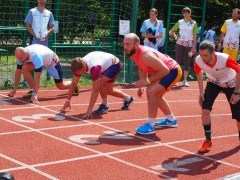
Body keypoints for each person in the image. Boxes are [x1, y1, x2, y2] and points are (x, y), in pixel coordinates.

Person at [123, 33, 182, 135]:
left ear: (136, 45)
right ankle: (171, 120)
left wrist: (148, 81)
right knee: (156, 95)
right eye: (124, 44)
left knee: (151, 91)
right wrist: (142, 85)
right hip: (163, 72)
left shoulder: (146, 55)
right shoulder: (133, 53)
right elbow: (142, 68)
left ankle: (151, 125)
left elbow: (165, 70)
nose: (125, 47)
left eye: (128, 44)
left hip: (173, 71)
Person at [194, 40, 240, 153]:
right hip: (213, 82)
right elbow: (198, 73)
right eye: (201, 54)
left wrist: (236, 92)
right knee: (205, 110)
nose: (202, 58)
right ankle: (207, 140)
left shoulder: (225, 59)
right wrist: (201, 92)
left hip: (230, 83)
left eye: (205, 55)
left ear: (213, 53)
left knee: (238, 115)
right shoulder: (198, 60)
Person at [60, 51, 134, 119]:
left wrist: (89, 109)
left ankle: (105, 105)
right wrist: (68, 100)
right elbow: (73, 84)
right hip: (106, 64)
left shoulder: (94, 68)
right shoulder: (79, 65)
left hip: (114, 65)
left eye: (79, 72)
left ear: (84, 67)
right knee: (109, 90)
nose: (78, 74)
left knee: (99, 83)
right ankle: (128, 98)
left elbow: (95, 89)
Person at [8, 44, 80, 103]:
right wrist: (15, 89)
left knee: (60, 86)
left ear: (26, 54)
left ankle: (75, 85)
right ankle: (32, 90)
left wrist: (35, 94)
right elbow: (18, 72)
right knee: (24, 67)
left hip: (52, 62)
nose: (19, 60)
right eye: (18, 59)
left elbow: (38, 76)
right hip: (42, 60)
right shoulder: (21, 55)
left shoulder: (36, 56)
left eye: (20, 59)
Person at [169, 7, 198, 87]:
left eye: (188, 13)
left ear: (190, 13)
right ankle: (176, 80)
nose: (186, 14)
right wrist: (175, 37)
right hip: (179, 44)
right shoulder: (180, 22)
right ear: (183, 14)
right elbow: (172, 30)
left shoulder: (194, 23)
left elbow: (195, 35)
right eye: (185, 13)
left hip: (189, 45)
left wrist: (194, 46)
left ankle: (185, 80)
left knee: (187, 62)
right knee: (177, 61)